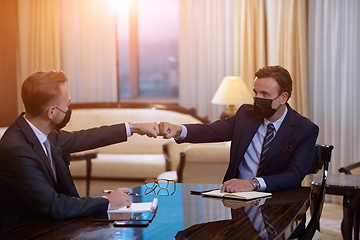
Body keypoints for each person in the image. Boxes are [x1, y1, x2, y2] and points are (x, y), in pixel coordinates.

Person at [158, 65, 319, 237]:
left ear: (283, 97)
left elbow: (294, 175)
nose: (258, 98)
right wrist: (177, 130)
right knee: (186, 234)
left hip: (279, 204)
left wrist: (252, 183)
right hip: (236, 203)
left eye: (264, 94)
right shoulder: (245, 115)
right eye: (255, 93)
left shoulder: (304, 129)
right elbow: (211, 130)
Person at [0, 70, 159, 230]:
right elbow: (54, 205)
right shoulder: (16, 150)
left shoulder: (42, 133)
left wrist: (133, 127)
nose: (69, 109)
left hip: (48, 223)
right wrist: (108, 201)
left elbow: (86, 137)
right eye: (67, 105)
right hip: (22, 231)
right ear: (51, 112)